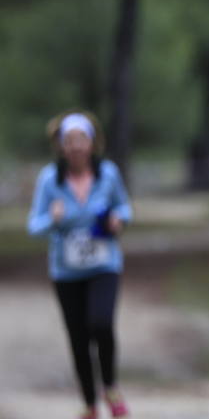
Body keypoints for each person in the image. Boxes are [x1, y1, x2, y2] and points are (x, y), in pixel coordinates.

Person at [27, 112, 132, 419]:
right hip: (66, 271)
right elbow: (34, 226)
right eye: (69, 141)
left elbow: (125, 206)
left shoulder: (108, 174)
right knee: (78, 337)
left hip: (104, 264)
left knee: (101, 322)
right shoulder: (49, 179)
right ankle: (89, 404)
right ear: (61, 146)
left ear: (91, 142)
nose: (75, 147)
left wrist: (119, 219)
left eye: (81, 139)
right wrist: (53, 218)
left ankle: (110, 385)